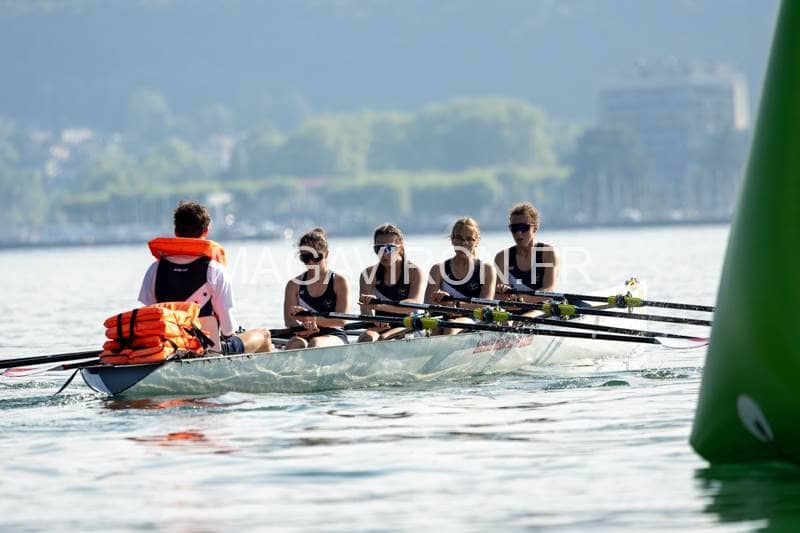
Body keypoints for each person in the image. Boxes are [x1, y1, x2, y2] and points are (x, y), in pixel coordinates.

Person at [138, 200, 272, 354]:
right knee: (264, 335)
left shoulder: (154, 270)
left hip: (167, 350)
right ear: (206, 231)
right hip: (208, 350)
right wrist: (234, 337)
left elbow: (150, 315)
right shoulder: (215, 270)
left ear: (176, 231)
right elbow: (227, 329)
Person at [425, 217, 496, 334]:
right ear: (452, 240)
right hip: (443, 316)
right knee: (435, 326)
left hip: (473, 319)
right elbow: (428, 304)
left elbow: (485, 305)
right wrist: (439, 301)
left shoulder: (486, 270)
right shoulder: (437, 269)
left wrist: (454, 304)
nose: (463, 243)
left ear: (477, 241)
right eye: (458, 238)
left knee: (451, 325)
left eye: (469, 239)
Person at [357, 224, 426, 342]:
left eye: (389, 248)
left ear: (400, 247)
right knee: (366, 338)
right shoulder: (368, 274)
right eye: (379, 248)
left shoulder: (414, 271)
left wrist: (378, 306)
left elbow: (413, 304)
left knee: (384, 338)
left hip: (408, 324)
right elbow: (365, 311)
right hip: (380, 325)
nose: (384, 254)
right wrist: (373, 321)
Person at [283, 228, 350, 349]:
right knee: (295, 343)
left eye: (316, 257)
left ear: (326, 254)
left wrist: (311, 319)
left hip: (333, 334)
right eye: (305, 257)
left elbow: (341, 321)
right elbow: (289, 321)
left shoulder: (339, 281)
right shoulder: (293, 285)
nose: (311, 262)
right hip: (304, 333)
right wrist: (303, 328)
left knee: (315, 343)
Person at [494, 202, 560, 309]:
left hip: (541, 308)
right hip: (512, 308)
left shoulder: (548, 253)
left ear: (535, 228)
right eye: (514, 228)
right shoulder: (501, 257)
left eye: (523, 227)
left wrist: (522, 300)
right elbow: (498, 295)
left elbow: (548, 290)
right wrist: (503, 292)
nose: (518, 233)